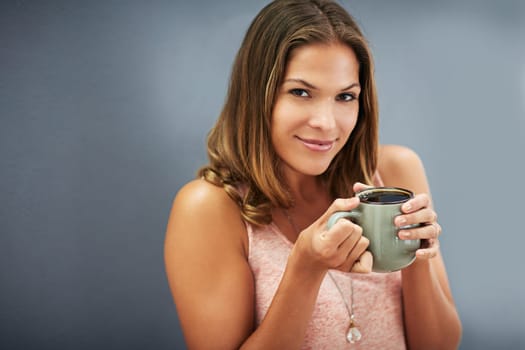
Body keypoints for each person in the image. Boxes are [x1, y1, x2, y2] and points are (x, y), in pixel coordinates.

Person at [164, 0, 462, 348]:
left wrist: (414, 255)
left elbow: (439, 345)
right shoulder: (208, 208)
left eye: (345, 96)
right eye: (301, 92)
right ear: (257, 95)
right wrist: (305, 270)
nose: (325, 123)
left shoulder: (394, 173)